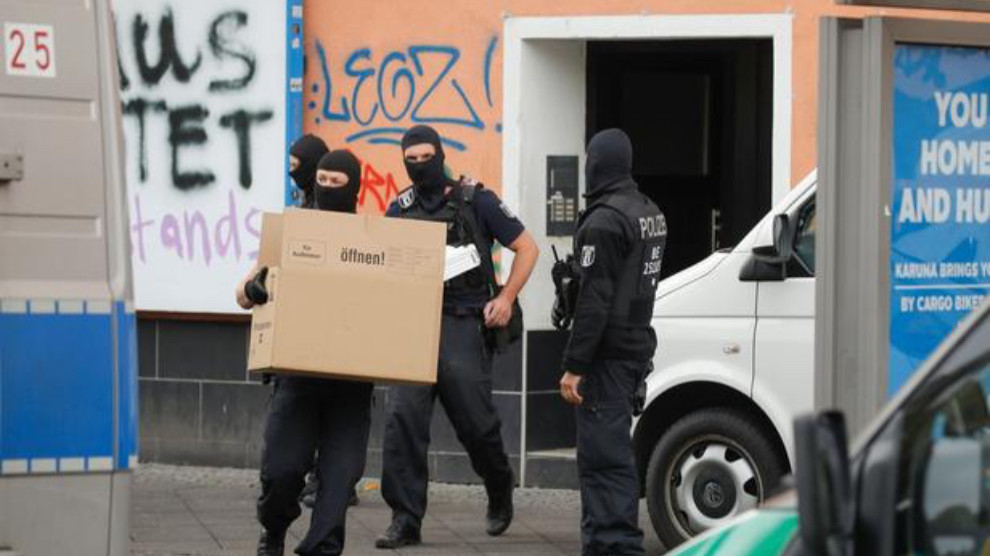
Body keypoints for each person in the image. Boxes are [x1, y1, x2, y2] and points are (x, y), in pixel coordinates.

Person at [375, 125, 540, 549]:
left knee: (476, 425)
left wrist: (506, 297)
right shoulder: (400, 208)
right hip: (414, 325)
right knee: (403, 421)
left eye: (426, 157)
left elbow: (528, 248)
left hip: (463, 323)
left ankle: (499, 484)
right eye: (410, 160)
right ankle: (405, 519)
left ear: (440, 155)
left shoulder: (475, 199)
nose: (419, 166)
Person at [237, 147, 372, 556]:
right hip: (297, 377)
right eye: (322, 181)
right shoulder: (290, 233)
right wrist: (255, 288)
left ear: (354, 188)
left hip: (351, 382)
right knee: (282, 471)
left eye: (337, 183)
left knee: (340, 478)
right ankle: (273, 529)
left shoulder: (374, 242)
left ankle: (323, 548)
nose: (327, 189)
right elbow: (242, 294)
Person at [557, 129, 666, 556]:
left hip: (606, 356)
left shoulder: (604, 220)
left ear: (598, 163)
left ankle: (614, 545)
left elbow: (595, 301)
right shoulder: (648, 211)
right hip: (634, 346)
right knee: (613, 451)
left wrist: (575, 365)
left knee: (603, 459)